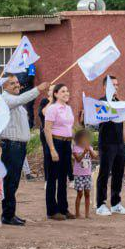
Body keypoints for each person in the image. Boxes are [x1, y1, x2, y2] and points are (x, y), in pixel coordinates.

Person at [0, 74, 47, 226]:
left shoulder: (16, 101)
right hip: (11, 146)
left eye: (17, 83)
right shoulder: (6, 98)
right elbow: (21, 99)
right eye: (12, 83)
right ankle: (7, 215)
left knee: (14, 181)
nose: (16, 85)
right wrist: (38, 89)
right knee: (10, 182)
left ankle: (10, 213)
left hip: (18, 146)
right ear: (4, 87)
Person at [94, 74, 125, 217]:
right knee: (104, 174)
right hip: (107, 144)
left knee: (118, 174)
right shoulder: (101, 103)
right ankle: (100, 204)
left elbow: (122, 126)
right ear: (104, 87)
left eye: (117, 85)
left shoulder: (119, 102)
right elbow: (97, 120)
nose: (115, 87)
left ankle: (115, 204)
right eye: (112, 85)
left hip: (119, 144)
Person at [42, 84, 75, 220]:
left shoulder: (69, 108)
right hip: (56, 142)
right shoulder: (52, 109)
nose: (66, 93)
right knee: (52, 177)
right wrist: (52, 149)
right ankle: (52, 210)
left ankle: (63, 208)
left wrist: (72, 146)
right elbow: (47, 129)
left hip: (67, 143)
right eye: (62, 91)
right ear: (55, 94)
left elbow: (70, 127)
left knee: (63, 178)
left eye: (67, 91)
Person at [71, 128, 96, 219]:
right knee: (80, 193)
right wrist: (84, 152)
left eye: (87, 139)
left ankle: (87, 213)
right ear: (78, 139)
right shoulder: (76, 148)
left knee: (87, 193)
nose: (85, 140)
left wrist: (90, 150)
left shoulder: (89, 148)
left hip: (88, 174)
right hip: (79, 175)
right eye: (83, 139)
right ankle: (77, 213)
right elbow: (78, 159)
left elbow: (94, 157)